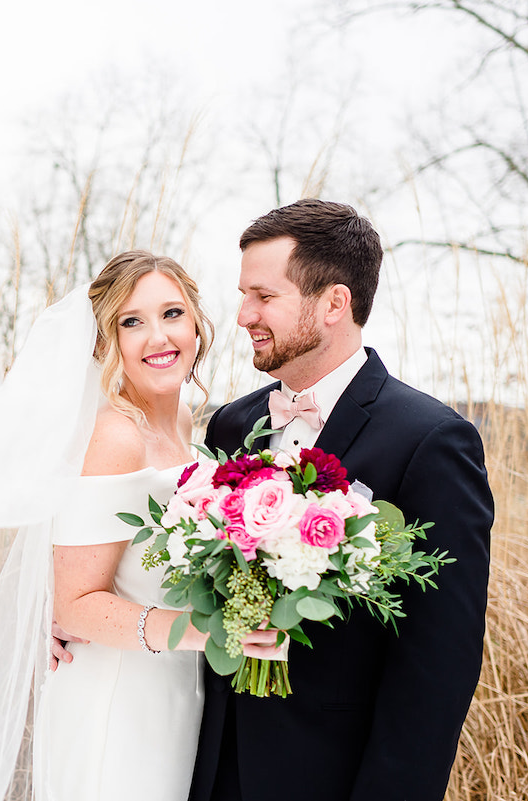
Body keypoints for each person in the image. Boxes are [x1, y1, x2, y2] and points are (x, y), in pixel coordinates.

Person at [188, 199, 493, 801]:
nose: (243, 313)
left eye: (264, 296)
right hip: (213, 765)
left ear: (333, 303)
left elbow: (438, 666)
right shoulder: (230, 425)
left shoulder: (429, 440)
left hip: (330, 776)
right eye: (243, 294)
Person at [33, 251, 282, 801]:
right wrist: (211, 633)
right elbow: (72, 604)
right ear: (106, 343)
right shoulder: (116, 437)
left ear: (197, 323)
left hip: (177, 693)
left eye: (172, 313)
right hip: (117, 699)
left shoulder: (189, 425)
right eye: (131, 321)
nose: (158, 337)